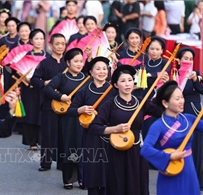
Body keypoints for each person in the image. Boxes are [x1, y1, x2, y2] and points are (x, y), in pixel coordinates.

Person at [89, 65, 162, 195]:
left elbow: (160, 112)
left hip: (137, 150)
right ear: (116, 85)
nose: (127, 84)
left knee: (137, 182)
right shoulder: (109, 104)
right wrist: (114, 129)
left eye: (129, 80)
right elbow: (95, 127)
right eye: (123, 81)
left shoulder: (141, 102)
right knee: (118, 183)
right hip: (117, 151)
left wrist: (163, 91)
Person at [141, 80, 203, 195]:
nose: (182, 101)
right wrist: (169, 156)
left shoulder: (189, 119)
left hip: (189, 170)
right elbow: (145, 149)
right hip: (170, 171)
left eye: (182, 97)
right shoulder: (158, 125)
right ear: (165, 103)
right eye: (177, 99)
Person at [67, 57, 117, 194]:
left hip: (110, 134)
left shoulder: (113, 90)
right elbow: (70, 111)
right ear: (91, 72)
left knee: (109, 172)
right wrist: (81, 110)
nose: (102, 71)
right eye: (98, 68)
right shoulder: (84, 91)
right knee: (93, 170)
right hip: (91, 136)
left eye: (104, 69)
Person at [43, 48, 89, 190]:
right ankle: (68, 178)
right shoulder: (62, 77)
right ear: (68, 62)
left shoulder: (87, 78)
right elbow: (48, 89)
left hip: (83, 117)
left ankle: (83, 178)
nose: (79, 64)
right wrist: (60, 97)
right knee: (68, 146)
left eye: (81, 61)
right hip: (67, 118)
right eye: (75, 61)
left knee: (83, 147)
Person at [31, 33, 67, 171]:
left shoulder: (67, 63)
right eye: (57, 44)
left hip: (65, 103)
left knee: (63, 135)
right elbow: (35, 80)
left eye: (63, 44)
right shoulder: (45, 63)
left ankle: (62, 163)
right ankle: (45, 163)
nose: (60, 47)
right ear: (51, 45)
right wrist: (45, 83)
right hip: (48, 104)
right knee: (48, 134)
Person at [176, 47, 203, 189]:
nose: (188, 61)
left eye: (190, 59)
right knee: (181, 146)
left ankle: (197, 180)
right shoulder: (175, 75)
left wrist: (195, 81)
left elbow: (201, 90)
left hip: (194, 113)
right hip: (179, 115)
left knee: (196, 147)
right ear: (179, 60)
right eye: (185, 58)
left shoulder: (196, 75)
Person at [18, 29, 49, 150]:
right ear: (31, 40)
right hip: (28, 88)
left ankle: (41, 140)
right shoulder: (26, 56)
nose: (39, 41)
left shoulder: (47, 56)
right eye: (36, 38)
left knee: (41, 114)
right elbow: (19, 69)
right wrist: (25, 79)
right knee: (31, 113)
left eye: (41, 38)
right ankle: (31, 141)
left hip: (42, 88)